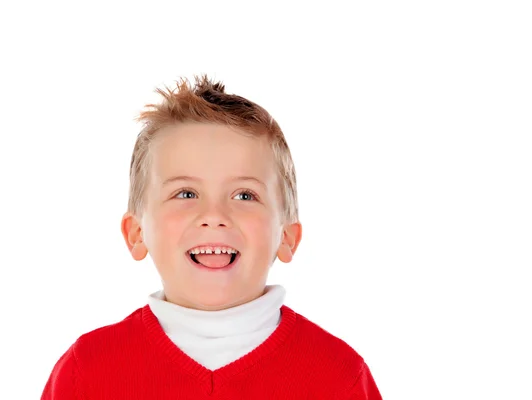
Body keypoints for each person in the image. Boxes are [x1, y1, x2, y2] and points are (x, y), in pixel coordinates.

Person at [41, 74, 383, 399]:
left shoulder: (339, 376)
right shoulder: (87, 371)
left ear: (287, 237)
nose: (214, 217)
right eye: (186, 194)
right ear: (137, 233)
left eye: (245, 195)